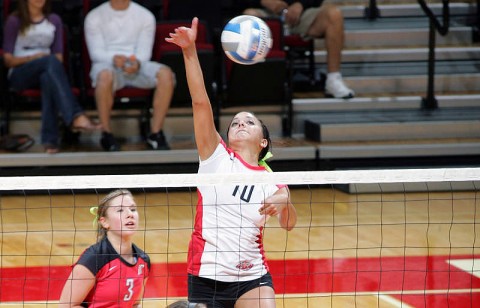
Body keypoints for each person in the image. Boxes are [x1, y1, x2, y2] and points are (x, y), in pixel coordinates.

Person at [166, 18, 297, 308]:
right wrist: (189, 51)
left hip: (253, 277)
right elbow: (200, 102)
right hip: (206, 276)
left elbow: (288, 225)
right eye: (235, 122)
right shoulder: (216, 157)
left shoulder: (269, 178)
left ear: (263, 141)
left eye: (249, 122)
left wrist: (285, 200)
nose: (240, 123)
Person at [2, 0, 100, 154]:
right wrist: (34, 58)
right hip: (20, 73)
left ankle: (50, 141)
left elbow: (59, 57)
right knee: (49, 63)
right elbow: (8, 60)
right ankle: (75, 115)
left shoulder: (54, 20)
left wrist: (44, 60)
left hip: (48, 70)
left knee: (48, 76)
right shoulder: (15, 20)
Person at [84, 0, 175, 151]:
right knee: (104, 76)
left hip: (136, 63)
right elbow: (96, 54)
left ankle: (155, 133)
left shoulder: (145, 16)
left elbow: (144, 53)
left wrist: (136, 63)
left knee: (166, 74)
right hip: (106, 63)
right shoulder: (94, 17)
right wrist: (114, 59)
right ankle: (106, 133)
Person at [242, 0, 355, 99]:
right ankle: (253, 81)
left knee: (334, 14)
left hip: (300, 14)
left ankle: (333, 79)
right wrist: (262, 1)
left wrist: (301, 4)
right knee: (249, 17)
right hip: (263, 12)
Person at [59, 189, 150, 307]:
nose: (130, 214)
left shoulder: (143, 261)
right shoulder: (94, 258)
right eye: (120, 210)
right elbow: (66, 306)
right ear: (104, 222)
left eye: (133, 209)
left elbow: (135, 304)